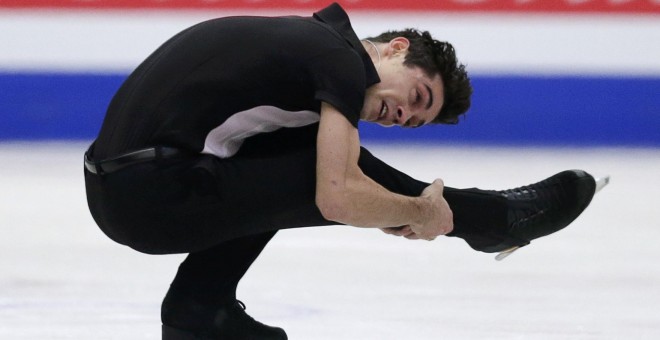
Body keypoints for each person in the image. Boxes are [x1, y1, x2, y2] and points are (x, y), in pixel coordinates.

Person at [83, 3, 597, 339]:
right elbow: (336, 195)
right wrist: (419, 212)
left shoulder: (312, 49)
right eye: (416, 97)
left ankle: (200, 311)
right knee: (321, 164)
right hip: (148, 196)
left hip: (124, 187)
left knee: (309, 149)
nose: (402, 116)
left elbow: (341, 182)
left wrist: (395, 207)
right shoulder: (340, 62)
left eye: (414, 122)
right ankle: (487, 219)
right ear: (396, 48)